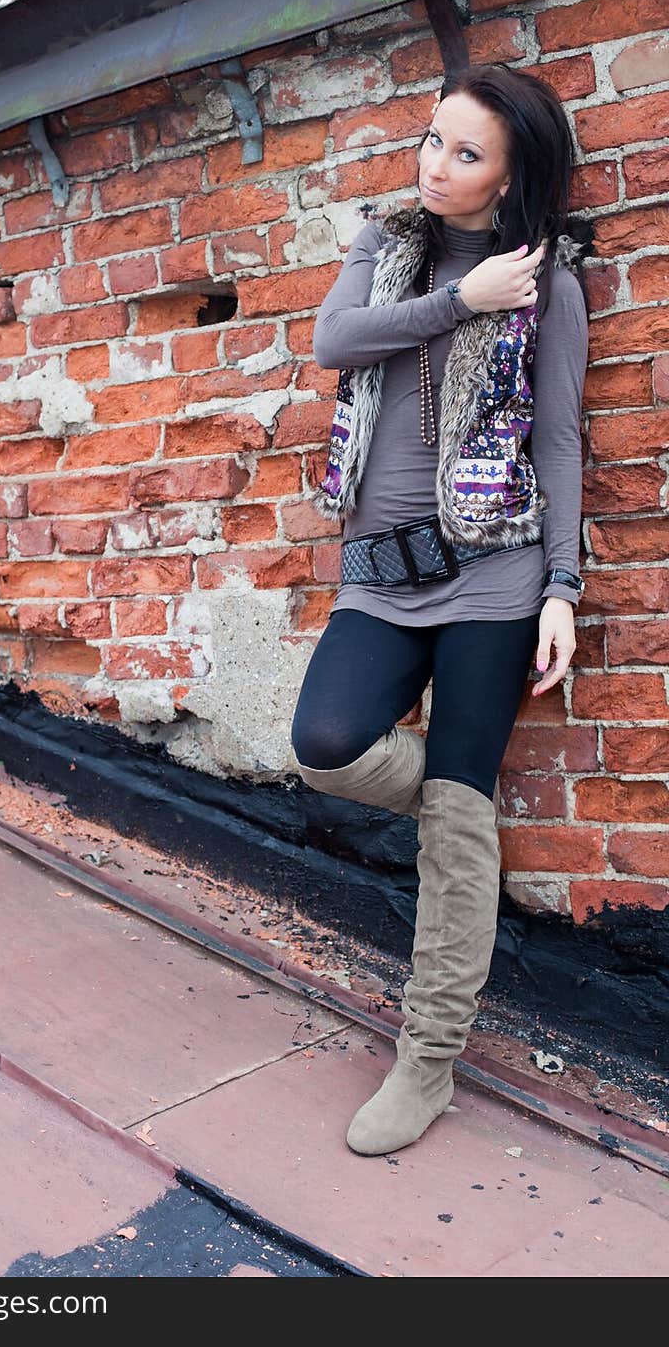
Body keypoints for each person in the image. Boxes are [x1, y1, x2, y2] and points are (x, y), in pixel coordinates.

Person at [290, 62, 589, 1157]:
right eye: (430, 139)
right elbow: (333, 343)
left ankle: (426, 1061)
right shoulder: (387, 245)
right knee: (325, 743)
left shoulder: (549, 283)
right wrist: (460, 301)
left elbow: (558, 440)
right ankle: (464, 824)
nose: (434, 164)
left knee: (459, 807)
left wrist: (560, 588)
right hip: (381, 569)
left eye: (465, 153)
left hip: (493, 574)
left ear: (513, 180)